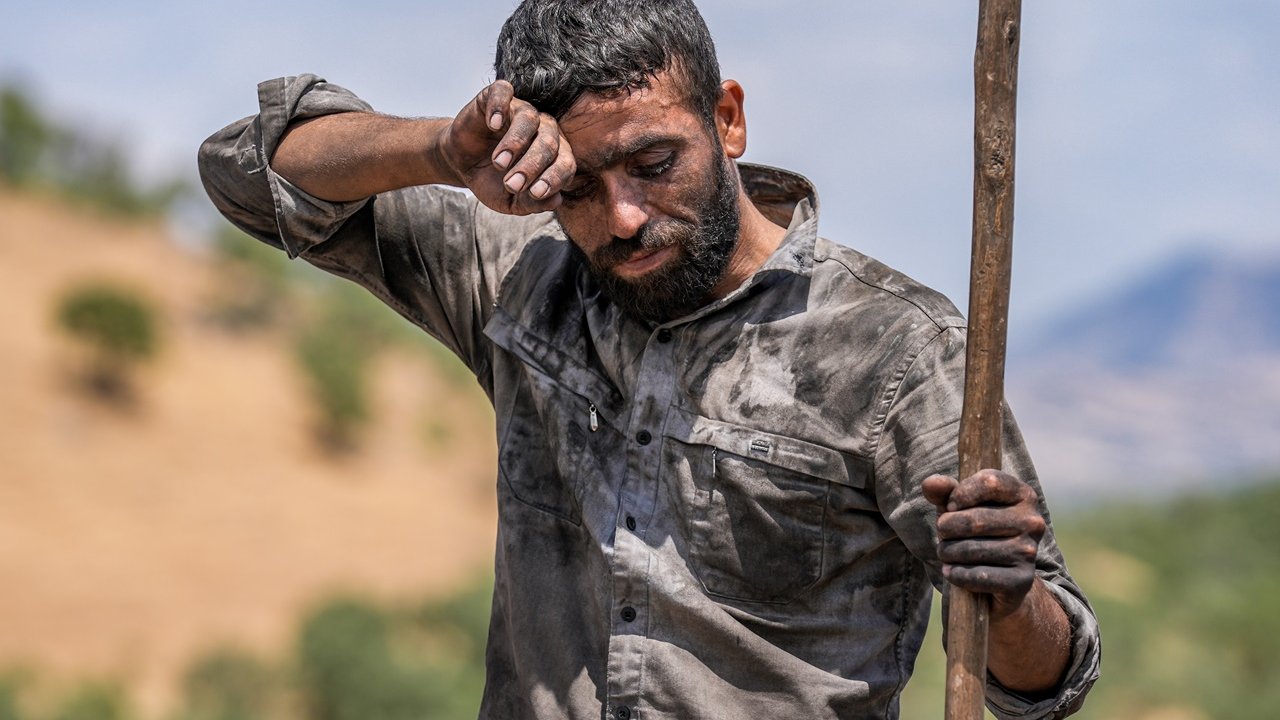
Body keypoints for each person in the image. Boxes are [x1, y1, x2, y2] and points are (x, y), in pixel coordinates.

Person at [198, 1, 1099, 717]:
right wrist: (440, 150)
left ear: (729, 119)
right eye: (579, 187)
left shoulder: (896, 350)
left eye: (653, 162)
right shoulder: (518, 279)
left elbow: (1049, 681)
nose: (622, 217)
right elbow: (248, 172)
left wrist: (1009, 594)